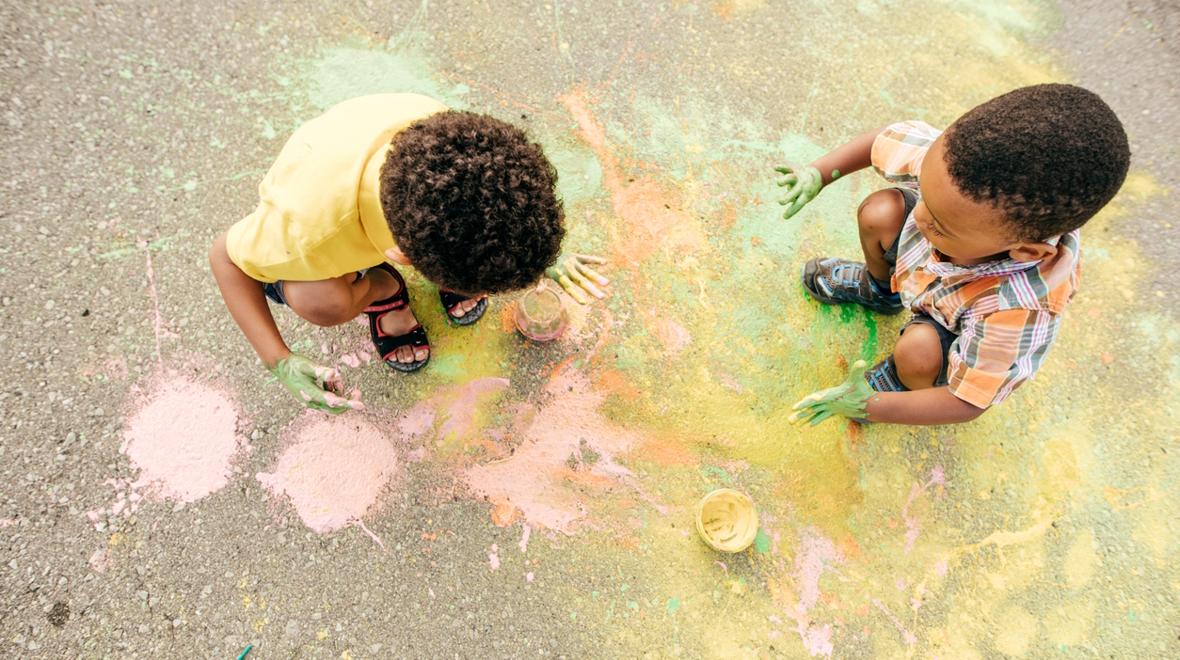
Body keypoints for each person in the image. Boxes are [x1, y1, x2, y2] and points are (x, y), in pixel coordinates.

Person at [209, 93, 608, 413]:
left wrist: (533, 255)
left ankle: (461, 270)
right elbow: (223, 258)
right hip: (321, 203)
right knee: (319, 302)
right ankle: (382, 289)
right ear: (403, 257)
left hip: (372, 166)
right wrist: (277, 358)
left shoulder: (450, 141)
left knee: (475, 253)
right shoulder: (304, 236)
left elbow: (491, 198)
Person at [777, 84, 1129, 425]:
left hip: (954, 325)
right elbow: (881, 142)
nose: (918, 216)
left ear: (1024, 251)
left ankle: (905, 382)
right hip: (930, 275)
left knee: (918, 351)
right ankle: (882, 291)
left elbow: (967, 401)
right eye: (925, 196)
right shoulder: (958, 167)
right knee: (880, 212)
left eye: (941, 225)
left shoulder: (1018, 308)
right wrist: (819, 173)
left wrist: (871, 406)